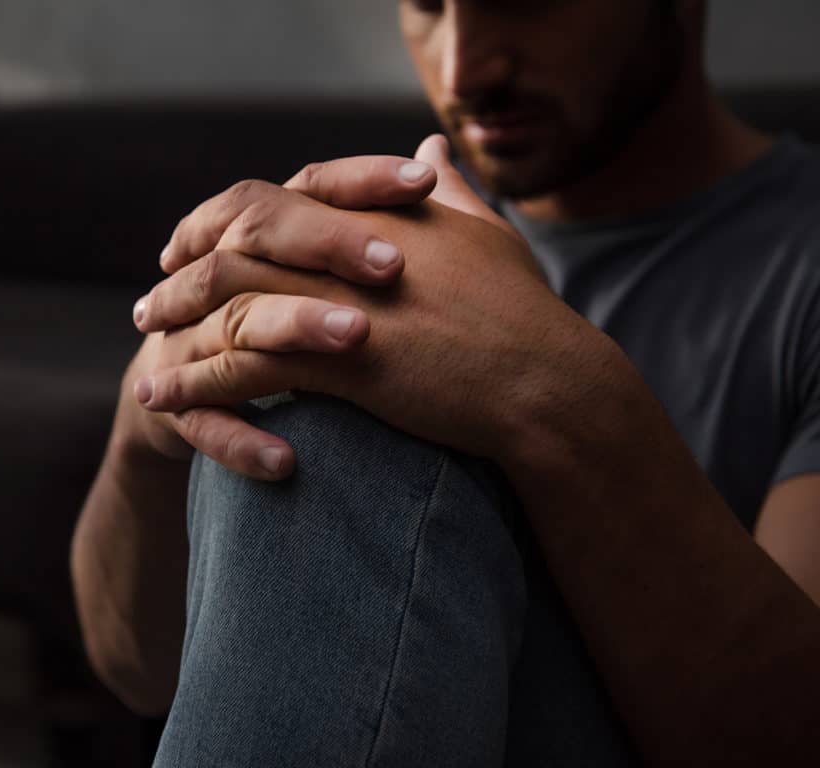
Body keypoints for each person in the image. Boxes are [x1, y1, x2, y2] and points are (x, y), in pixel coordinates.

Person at [71, 1, 820, 764]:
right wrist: (149, 422)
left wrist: (545, 388)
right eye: (429, 5)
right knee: (310, 362)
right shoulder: (382, 245)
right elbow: (134, 670)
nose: (464, 70)